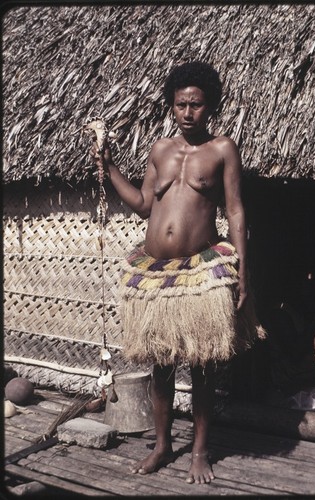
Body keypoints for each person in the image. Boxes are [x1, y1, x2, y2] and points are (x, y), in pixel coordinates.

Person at [91, 61, 265, 484]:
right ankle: (163, 445)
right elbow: (144, 204)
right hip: (156, 273)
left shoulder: (222, 149)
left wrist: (244, 269)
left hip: (199, 271)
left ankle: (200, 452)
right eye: (181, 104)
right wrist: (110, 166)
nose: (188, 112)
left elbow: (236, 210)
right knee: (160, 364)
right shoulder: (160, 149)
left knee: (202, 366)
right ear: (172, 105)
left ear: (211, 107)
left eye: (196, 104)